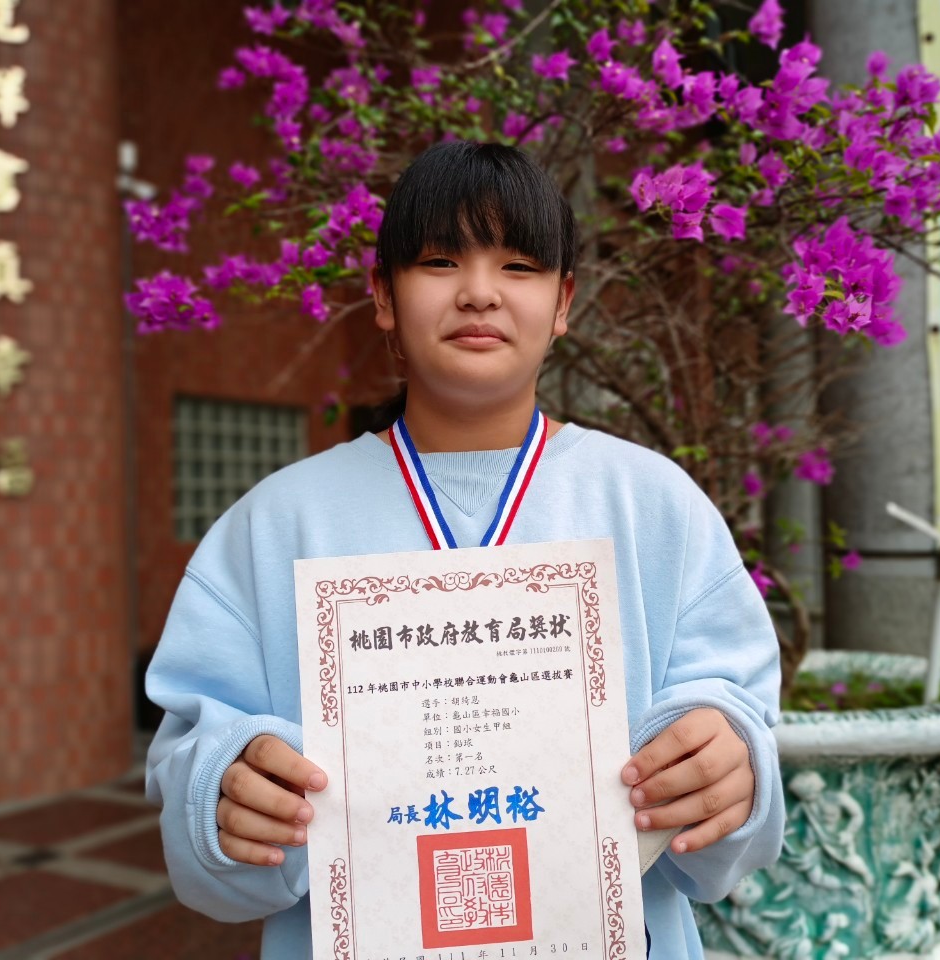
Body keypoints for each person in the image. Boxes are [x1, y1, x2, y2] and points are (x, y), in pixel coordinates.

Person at [145, 140, 784, 960]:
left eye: (519, 266)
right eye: (441, 261)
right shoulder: (273, 526)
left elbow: (740, 732)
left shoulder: (654, 506)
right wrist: (223, 791)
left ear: (563, 302)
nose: (480, 292)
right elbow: (188, 764)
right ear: (384, 295)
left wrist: (731, 764)